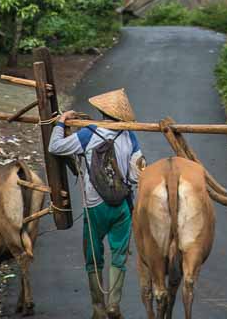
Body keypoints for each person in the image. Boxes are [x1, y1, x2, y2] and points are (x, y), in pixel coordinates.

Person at [49, 89, 144, 319]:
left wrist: (61, 122)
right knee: (119, 255)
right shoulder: (130, 135)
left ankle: (98, 308)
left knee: (93, 255)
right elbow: (136, 174)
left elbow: (55, 147)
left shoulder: (90, 133)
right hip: (122, 206)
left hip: (95, 206)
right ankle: (114, 305)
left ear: (101, 112)